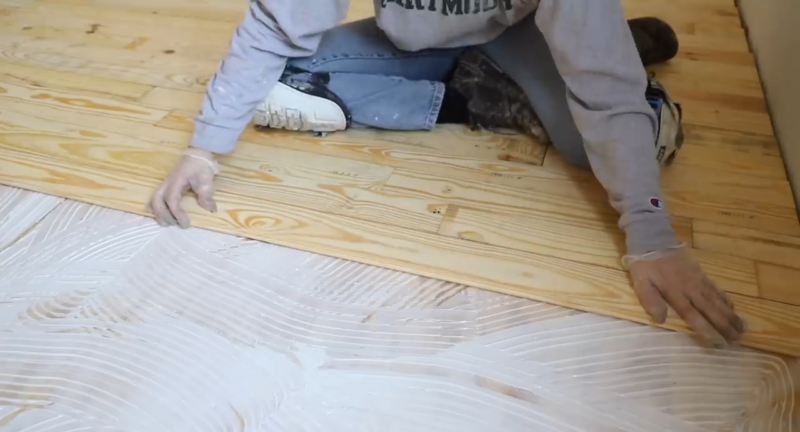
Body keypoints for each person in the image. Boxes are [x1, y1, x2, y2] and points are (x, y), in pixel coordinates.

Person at [149, 0, 746, 348]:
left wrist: (650, 233)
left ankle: (614, 47)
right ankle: (484, 91)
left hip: (525, 34)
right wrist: (205, 149)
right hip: (416, 44)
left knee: (591, 144)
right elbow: (273, 27)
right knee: (292, 75)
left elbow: (606, 91)